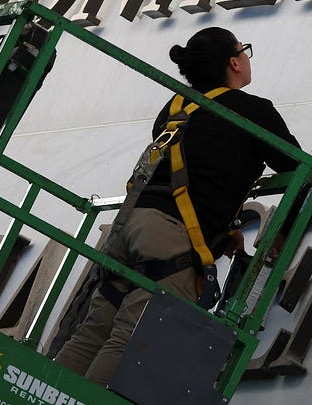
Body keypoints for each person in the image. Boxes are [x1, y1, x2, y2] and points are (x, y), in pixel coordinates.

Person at [54, 27, 299, 385]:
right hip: (171, 237)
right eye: (244, 51)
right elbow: (297, 169)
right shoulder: (253, 112)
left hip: (130, 225)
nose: (246, 58)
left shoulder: (175, 107)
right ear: (234, 61)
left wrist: (226, 229)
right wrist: (283, 232)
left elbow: (197, 169)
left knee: (92, 331)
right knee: (133, 338)